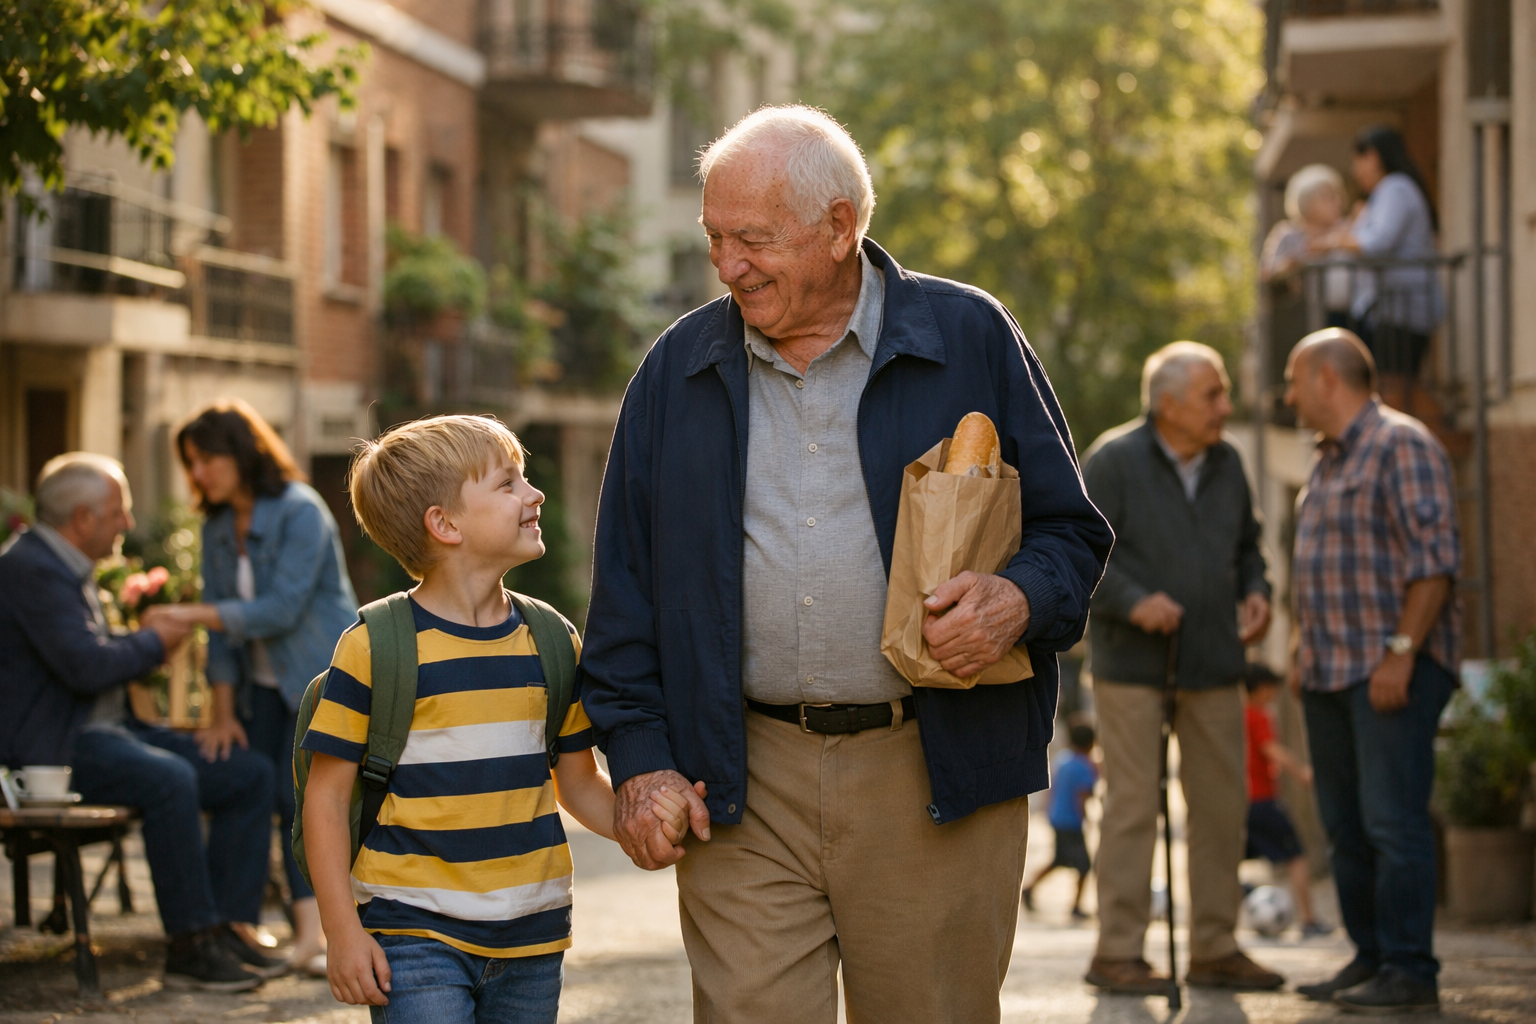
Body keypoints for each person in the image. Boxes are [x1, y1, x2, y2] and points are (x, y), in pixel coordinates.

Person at [580, 105, 1114, 1024]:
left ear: (840, 228)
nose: (727, 265)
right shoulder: (675, 371)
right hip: (739, 781)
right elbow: (625, 591)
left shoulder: (969, 336)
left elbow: (1072, 533)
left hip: (933, 773)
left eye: (752, 238)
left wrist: (1015, 600)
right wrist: (640, 761)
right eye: (714, 238)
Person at [299, 414, 689, 1023]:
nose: (534, 494)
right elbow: (325, 800)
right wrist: (341, 932)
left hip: (532, 935)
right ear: (445, 524)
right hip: (412, 929)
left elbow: (577, 783)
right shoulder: (377, 645)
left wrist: (641, 826)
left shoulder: (551, 639)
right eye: (508, 484)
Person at [0, 453, 276, 991]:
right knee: (168, 779)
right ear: (83, 518)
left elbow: (86, 654)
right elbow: (86, 666)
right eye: (118, 512)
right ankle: (190, 946)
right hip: (53, 750)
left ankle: (228, 927)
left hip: (108, 733)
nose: (127, 523)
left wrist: (144, 639)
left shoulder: (62, 567)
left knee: (248, 774)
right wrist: (157, 641)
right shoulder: (28, 568)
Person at [1081, 341, 1284, 994]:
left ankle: (1216, 948)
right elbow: (1078, 551)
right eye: (1213, 395)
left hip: (1216, 659)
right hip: (1131, 666)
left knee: (1224, 809)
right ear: (1168, 406)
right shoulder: (1112, 460)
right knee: (1134, 807)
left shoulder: (1228, 463)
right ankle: (1117, 953)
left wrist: (1258, 590)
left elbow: (1249, 546)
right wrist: (1134, 599)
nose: (1227, 406)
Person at [1284, 328, 1460, 1013]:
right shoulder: (1324, 464)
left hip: (1389, 670)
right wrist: (1303, 645)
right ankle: (1371, 958)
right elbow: (1323, 569)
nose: (1288, 394)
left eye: (1296, 380)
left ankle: (1411, 970)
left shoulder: (1402, 444)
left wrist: (1401, 651)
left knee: (1392, 822)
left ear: (1329, 378)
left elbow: (1435, 560)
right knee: (1347, 826)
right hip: (1330, 672)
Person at [156, 399, 358, 974]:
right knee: (266, 793)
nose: (197, 474)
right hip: (261, 690)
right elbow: (224, 636)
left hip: (318, 680)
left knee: (305, 801)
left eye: (206, 460)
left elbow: (280, 610)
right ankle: (266, 930)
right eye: (191, 464)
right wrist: (222, 714)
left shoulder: (301, 511)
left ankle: (315, 936)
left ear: (241, 454)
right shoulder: (219, 526)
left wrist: (191, 614)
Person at [1312, 125, 1443, 404]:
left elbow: (1377, 242)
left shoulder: (1395, 188)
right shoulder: (1391, 190)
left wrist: (1334, 241)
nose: (1355, 171)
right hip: (1392, 306)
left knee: (1395, 385)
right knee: (1392, 384)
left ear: (1371, 156)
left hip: (1402, 307)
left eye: (1357, 162)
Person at [1241, 664, 1327, 938]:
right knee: (1297, 856)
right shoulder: (1258, 716)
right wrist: (1302, 773)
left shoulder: (1235, 716)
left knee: (1229, 859)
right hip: (1262, 799)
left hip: (1241, 800)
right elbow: (1272, 750)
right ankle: (1309, 920)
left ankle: (1233, 913)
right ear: (1262, 688)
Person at [1021, 723, 1099, 920]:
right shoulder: (1084, 766)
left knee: (1060, 859)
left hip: (1057, 817)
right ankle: (1076, 905)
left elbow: (1053, 789)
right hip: (1071, 821)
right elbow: (1081, 795)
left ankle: (1030, 889)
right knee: (1083, 865)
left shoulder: (1063, 760)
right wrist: (1086, 819)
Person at [1261, 163, 1352, 324]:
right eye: (1328, 197)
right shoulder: (1287, 233)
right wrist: (1296, 262)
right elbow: (1268, 273)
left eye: (1337, 196)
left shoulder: (1348, 229)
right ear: (1307, 202)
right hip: (1301, 320)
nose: (1337, 203)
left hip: (1348, 318)